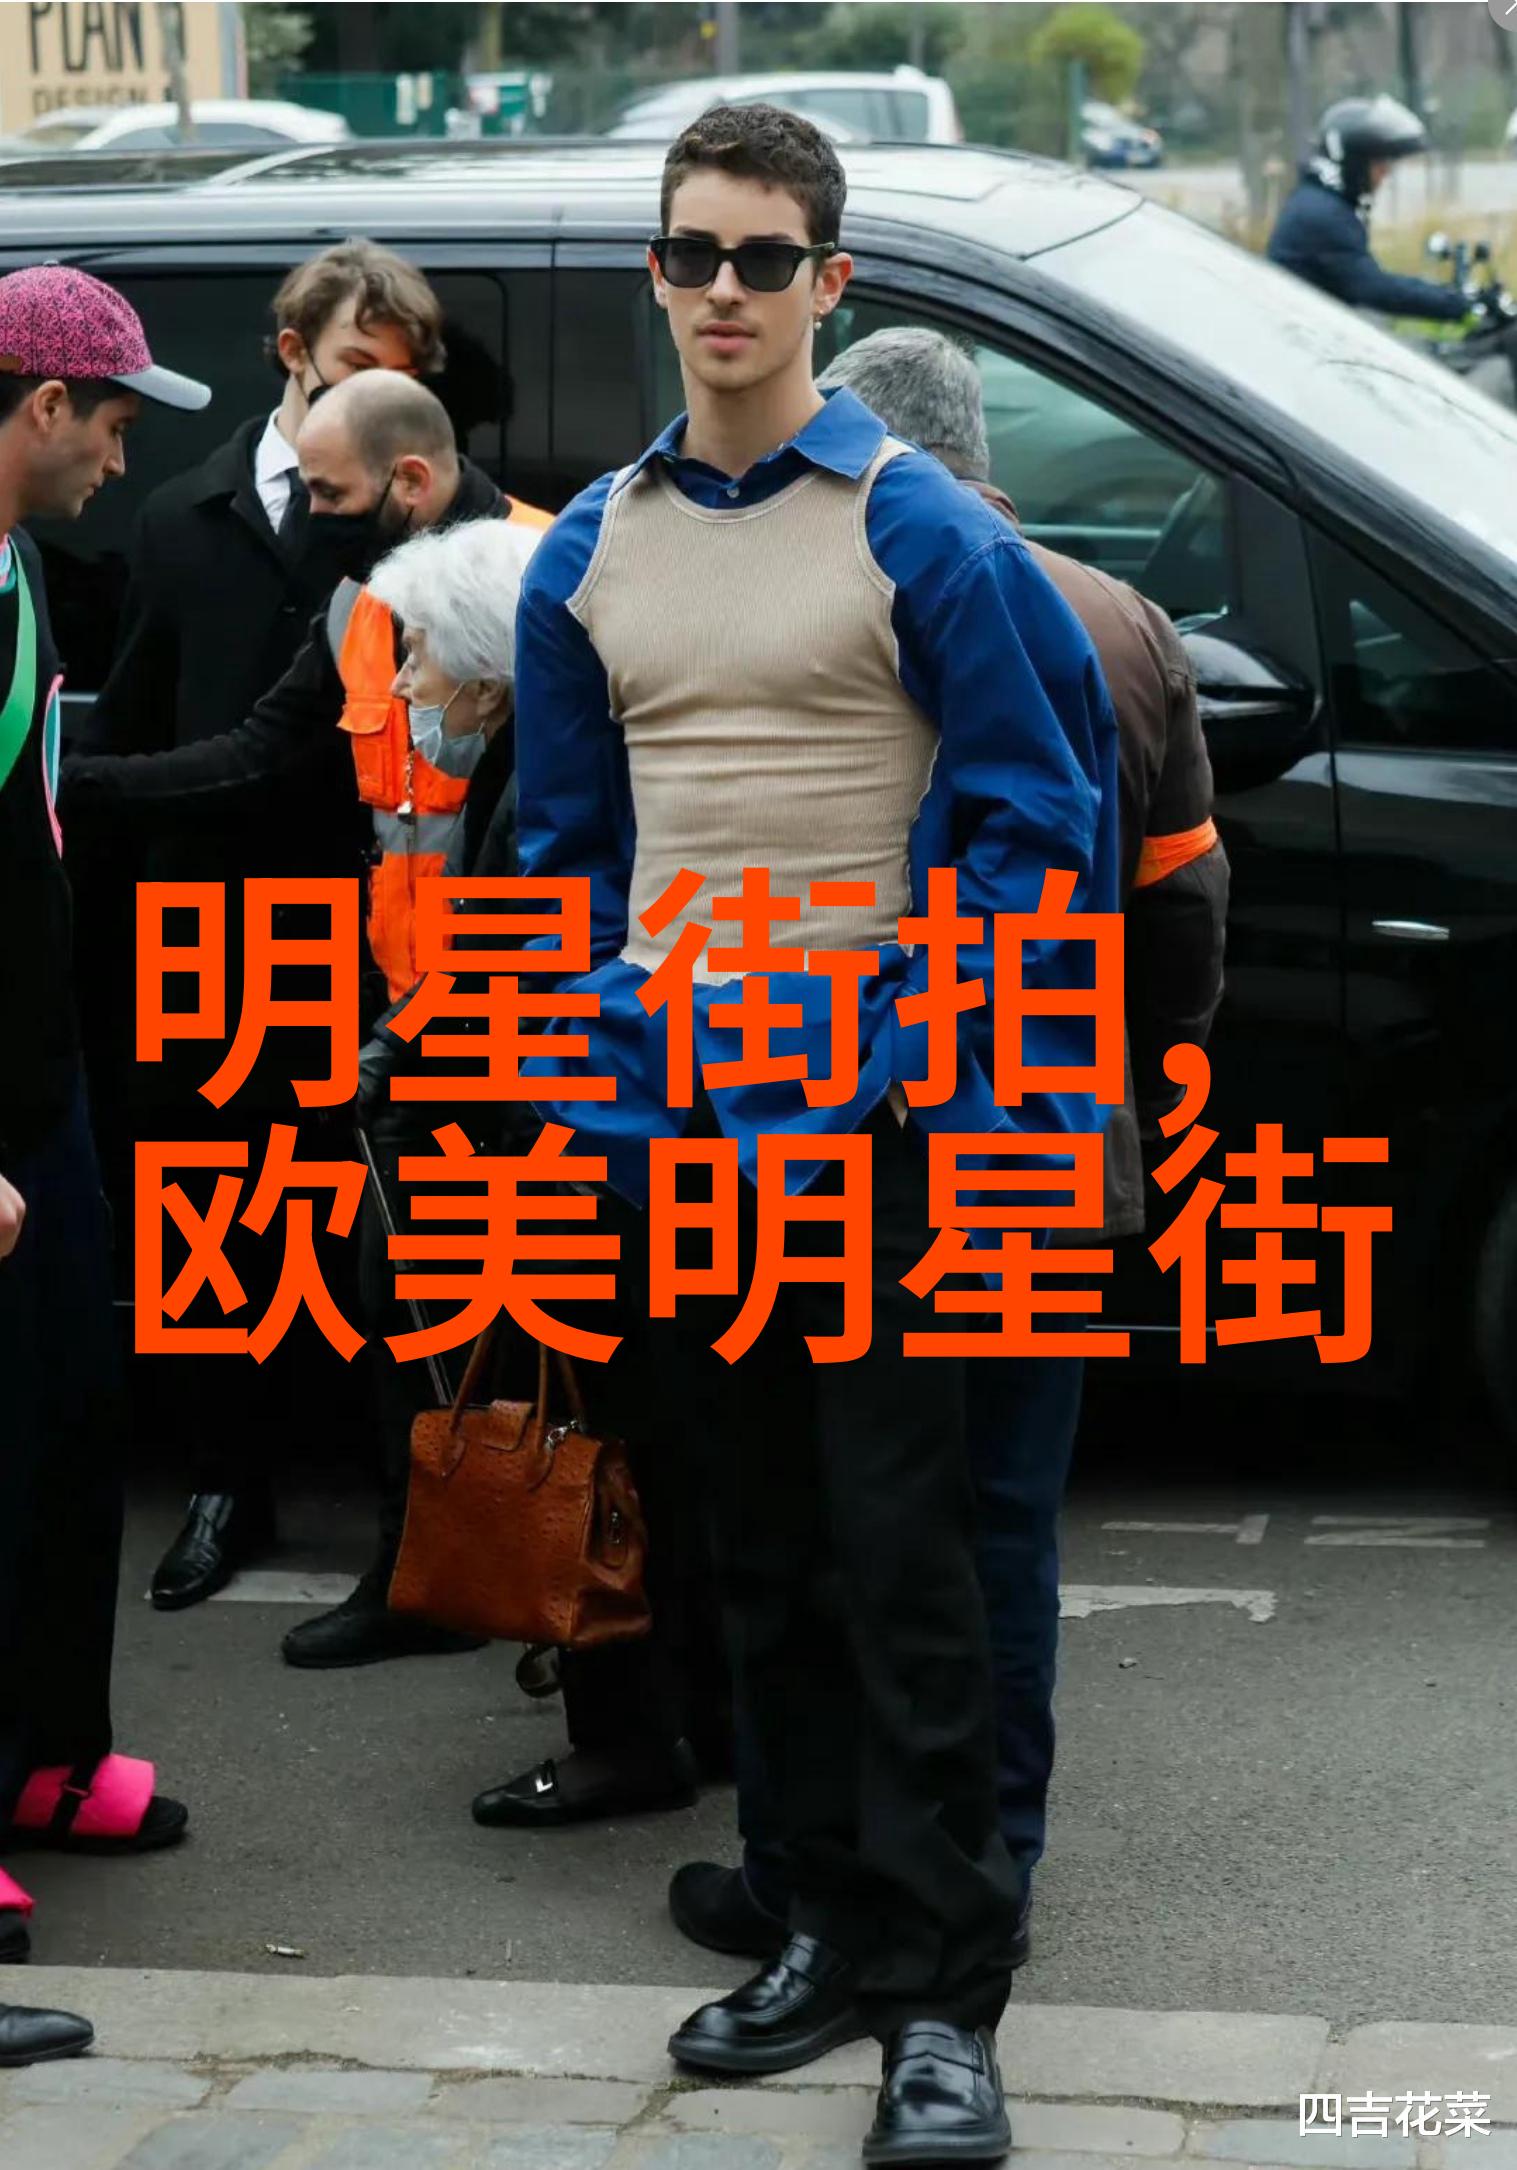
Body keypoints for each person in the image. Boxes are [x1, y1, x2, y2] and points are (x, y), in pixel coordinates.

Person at [512, 105, 1119, 2164]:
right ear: (656, 274)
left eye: (763, 258)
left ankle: (944, 2007)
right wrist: (600, 1086)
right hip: (691, 1147)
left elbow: (1035, 827)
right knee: (757, 1559)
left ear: (825, 283)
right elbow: (563, 857)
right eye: (692, 253)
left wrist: (901, 1056)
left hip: (891, 1137)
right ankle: (817, 1924)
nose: (723, 289)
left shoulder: (920, 531)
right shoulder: (587, 549)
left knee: (910, 1566)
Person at [667, 324, 1229, 1975]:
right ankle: (997, 1861)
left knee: (833, 1523)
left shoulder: (817, 609)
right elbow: (1182, 902)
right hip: (1047, 1142)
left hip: (836, 1143)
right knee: (994, 1524)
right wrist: (1135, 1073)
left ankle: (809, 1873)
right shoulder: (1118, 621)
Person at [60, 372, 553, 1616]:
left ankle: (527, 1579)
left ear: (409, 482)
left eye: (329, 493)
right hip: (408, 1012)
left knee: (502, 1312)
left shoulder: (549, 577)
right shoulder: (363, 600)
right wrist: (67, 785)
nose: (307, 512)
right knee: (408, 1304)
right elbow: (256, 753)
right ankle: (428, 1575)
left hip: (518, 1017)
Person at [75, 245, 447, 1624]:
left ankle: (413, 1514)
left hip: (376, 931)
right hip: (210, 926)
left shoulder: (420, 511)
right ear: (293, 353)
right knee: (210, 1212)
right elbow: (137, 715)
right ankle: (226, 1486)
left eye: (394, 379)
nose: (369, 397)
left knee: (382, 1218)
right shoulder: (181, 513)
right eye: (351, 368)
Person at [0, 262, 208, 2066]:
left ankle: (45, 1757)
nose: (122, 460)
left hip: (39, 1076)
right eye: (114, 421)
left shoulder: (18, 567)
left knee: (70, 1420)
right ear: (42, 403)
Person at [281, 514, 541, 1669]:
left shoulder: (537, 785)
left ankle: (474, 1586)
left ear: (484, 677)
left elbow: (498, 947)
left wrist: (383, 1055)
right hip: (441, 1080)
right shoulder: (484, 756)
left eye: (420, 653)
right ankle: (445, 1578)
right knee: (418, 1330)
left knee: (445, 1338)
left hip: (485, 1097)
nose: (396, 681)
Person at [1267, 97, 1472, 324]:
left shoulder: (1318, 201)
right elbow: (1373, 288)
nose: (1385, 173)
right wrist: (1455, 303)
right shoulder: (1322, 214)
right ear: (1353, 163)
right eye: (1379, 163)